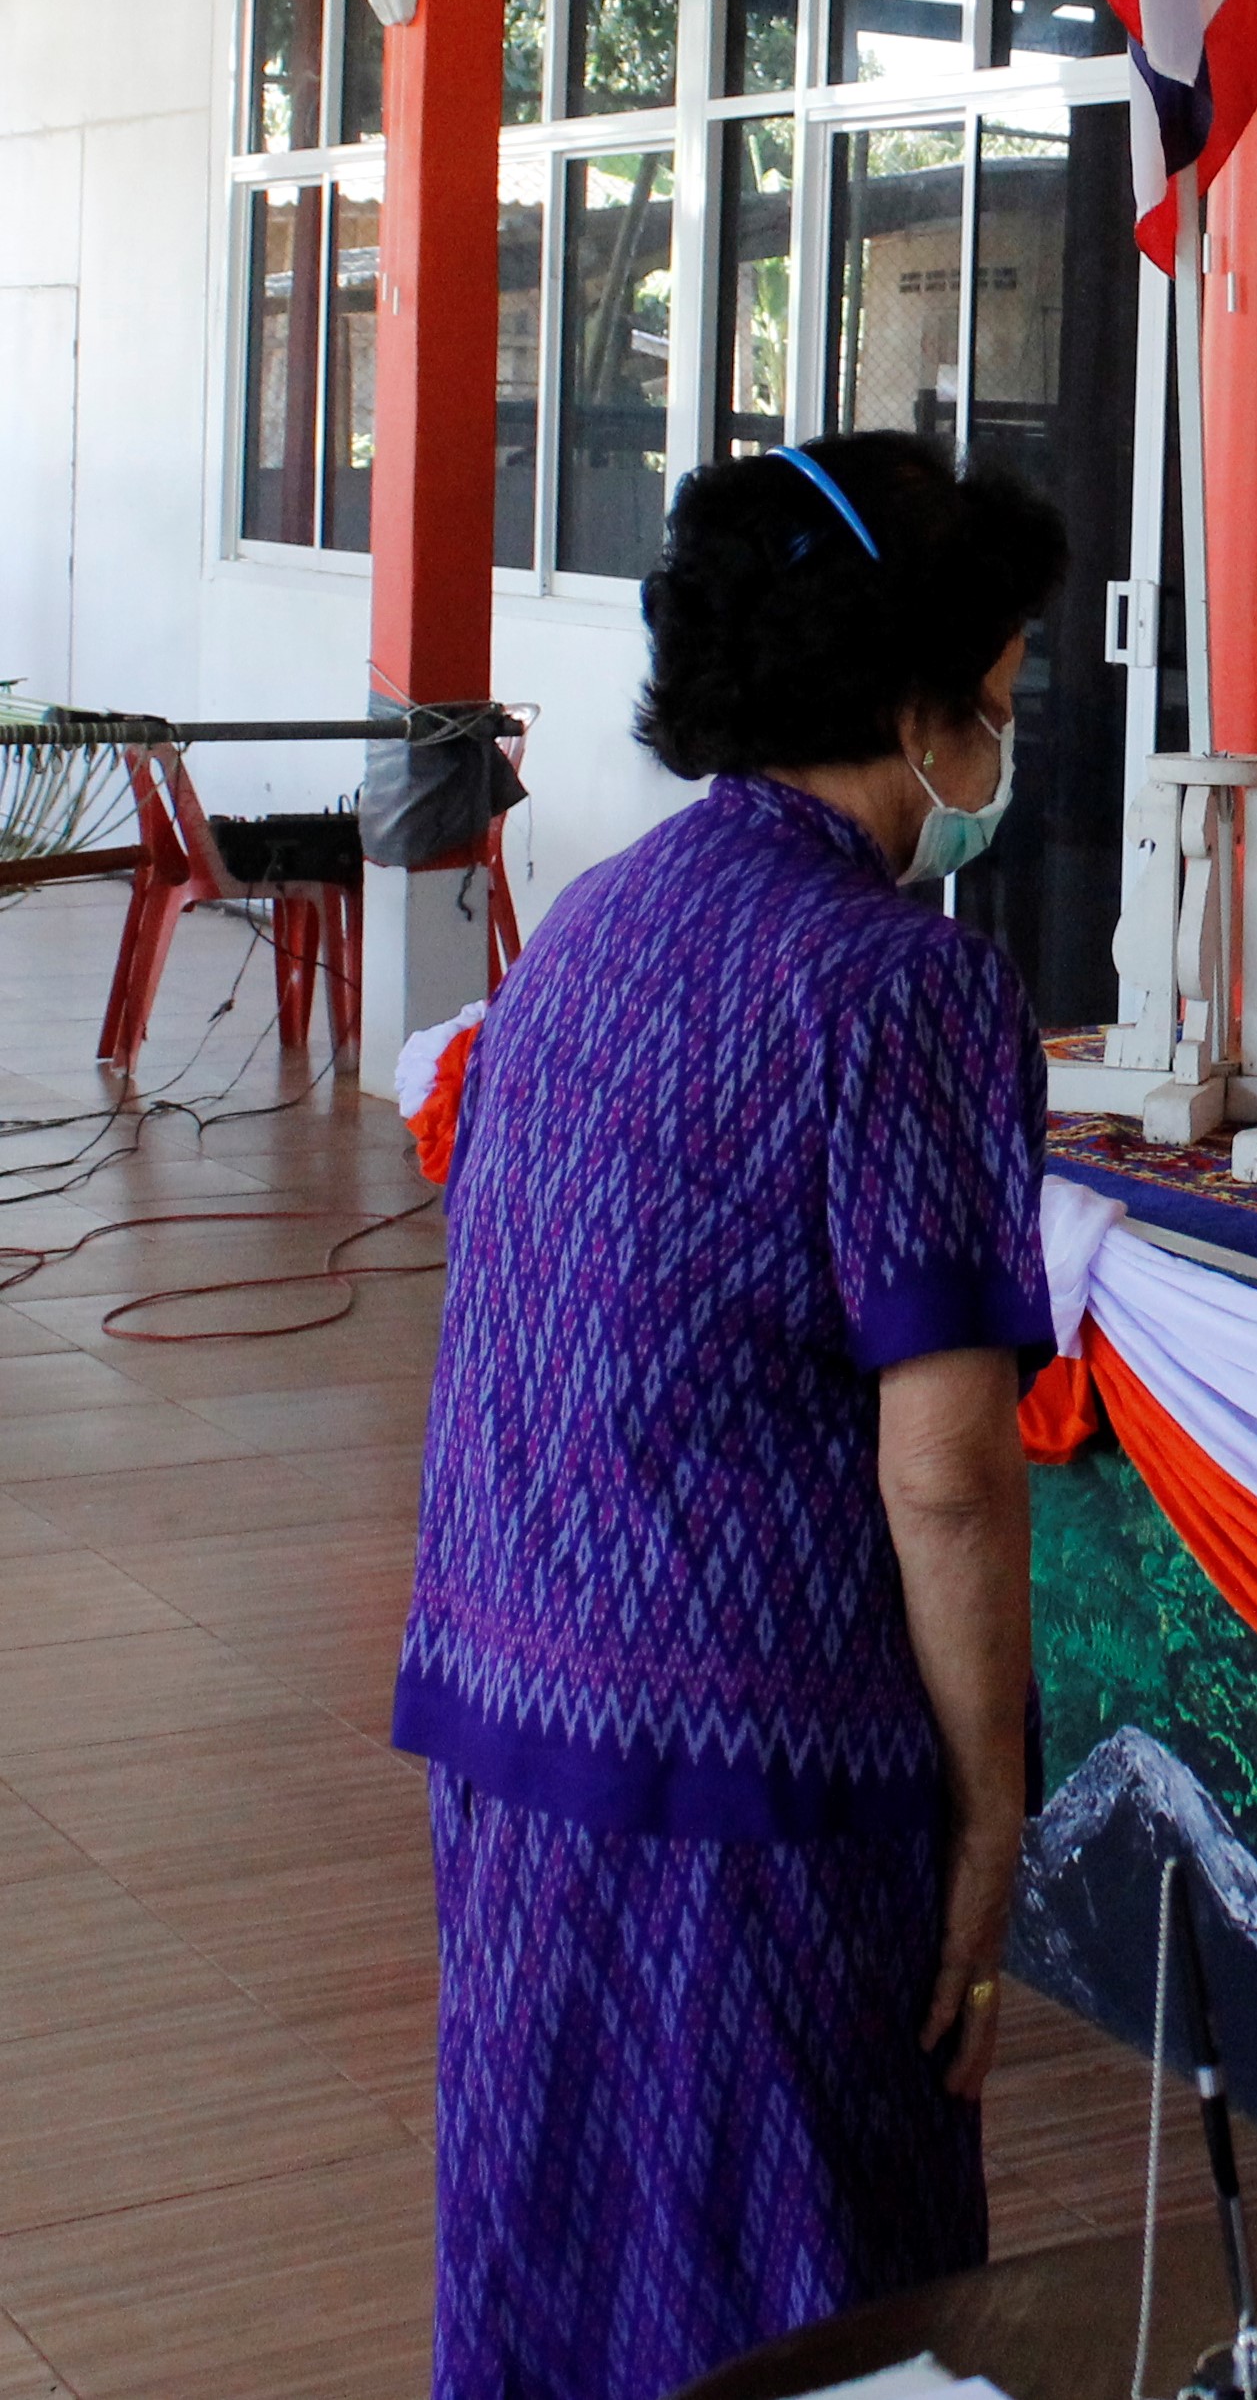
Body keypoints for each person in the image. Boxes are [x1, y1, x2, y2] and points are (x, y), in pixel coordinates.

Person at [396, 432, 1070, 2400]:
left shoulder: (594, 926)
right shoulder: (902, 988)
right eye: (998, 694)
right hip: (757, 1787)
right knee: (805, 2298)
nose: (1002, 739)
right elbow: (947, 1475)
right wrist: (994, 1804)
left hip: (509, 1723)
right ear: (914, 702)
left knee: (561, 2263)